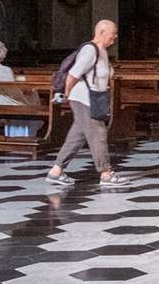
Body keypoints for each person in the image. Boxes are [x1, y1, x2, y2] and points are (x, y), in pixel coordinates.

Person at [48, 20, 119, 185]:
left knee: (77, 136)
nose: (115, 36)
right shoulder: (90, 50)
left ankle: (56, 171)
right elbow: (73, 74)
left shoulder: (102, 51)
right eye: (113, 32)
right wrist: (65, 94)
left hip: (93, 98)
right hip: (84, 99)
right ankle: (106, 174)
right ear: (101, 32)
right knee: (98, 134)